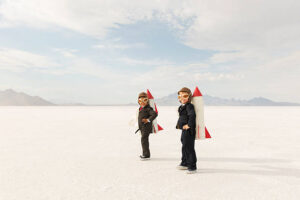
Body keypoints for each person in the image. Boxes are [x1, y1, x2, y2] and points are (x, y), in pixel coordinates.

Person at [176, 87, 197, 173]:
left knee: (189, 147)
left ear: (189, 97)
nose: (182, 98)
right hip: (184, 130)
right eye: (180, 96)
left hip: (189, 130)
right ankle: (184, 162)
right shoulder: (181, 107)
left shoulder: (189, 106)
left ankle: (192, 166)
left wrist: (189, 125)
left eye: (185, 96)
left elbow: (192, 115)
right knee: (184, 146)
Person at [137, 92, 157, 160]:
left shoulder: (148, 108)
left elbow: (154, 114)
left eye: (144, 100)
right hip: (142, 127)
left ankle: (146, 155)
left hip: (146, 127)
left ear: (147, 101)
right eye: (140, 100)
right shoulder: (140, 108)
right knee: (144, 140)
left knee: (144, 140)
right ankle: (145, 154)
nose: (142, 102)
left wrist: (148, 120)